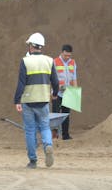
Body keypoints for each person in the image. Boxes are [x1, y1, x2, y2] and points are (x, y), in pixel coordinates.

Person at [14, 31, 59, 168]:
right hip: (43, 100)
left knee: (30, 130)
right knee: (45, 127)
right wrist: (55, 94)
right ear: (41, 46)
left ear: (31, 46)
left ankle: (33, 161)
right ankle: (48, 146)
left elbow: (21, 83)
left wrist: (17, 100)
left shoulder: (25, 61)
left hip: (28, 101)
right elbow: (56, 82)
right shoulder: (49, 61)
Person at [52, 44, 78, 140]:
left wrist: (75, 92)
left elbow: (74, 78)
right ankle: (55, 135)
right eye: (66, 55)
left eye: (69, 55)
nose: (67, 57)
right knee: (55, 115)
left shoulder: (73, 63)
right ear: (62, 52)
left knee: (66, 114)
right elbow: (52, 78)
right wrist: (55, 90)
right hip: (57, 92)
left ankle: (65, 135)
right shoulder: (55, 62)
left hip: (69, 92)